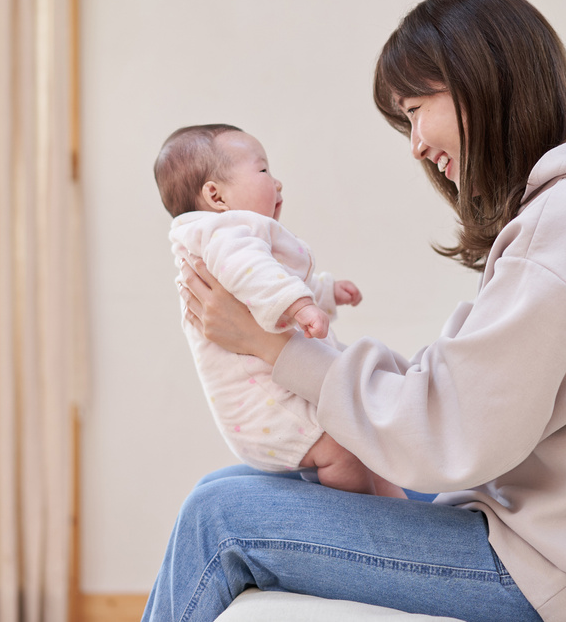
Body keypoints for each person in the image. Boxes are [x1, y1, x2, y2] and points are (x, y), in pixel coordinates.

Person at [143, 0, 566, 622]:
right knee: (226, 488)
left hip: (564, 573)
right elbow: (472, 402)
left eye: (415, 110)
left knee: (219, 519)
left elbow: (449, 433)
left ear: (479, 82)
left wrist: (274, 348)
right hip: (556, 536)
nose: (416, 145)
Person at [154, 124, 403, 497]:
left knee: (366, 447)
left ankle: (395, 510)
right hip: (268, 406)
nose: (278, 183)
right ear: (215, 195)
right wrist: (302, 304)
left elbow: (269, 281)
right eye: (263, 171)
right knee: (343, 451)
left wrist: (324, 292)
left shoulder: (226, 241)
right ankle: (364, 520)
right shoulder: (225, 236)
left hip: (271, 399)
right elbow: (259, 280)